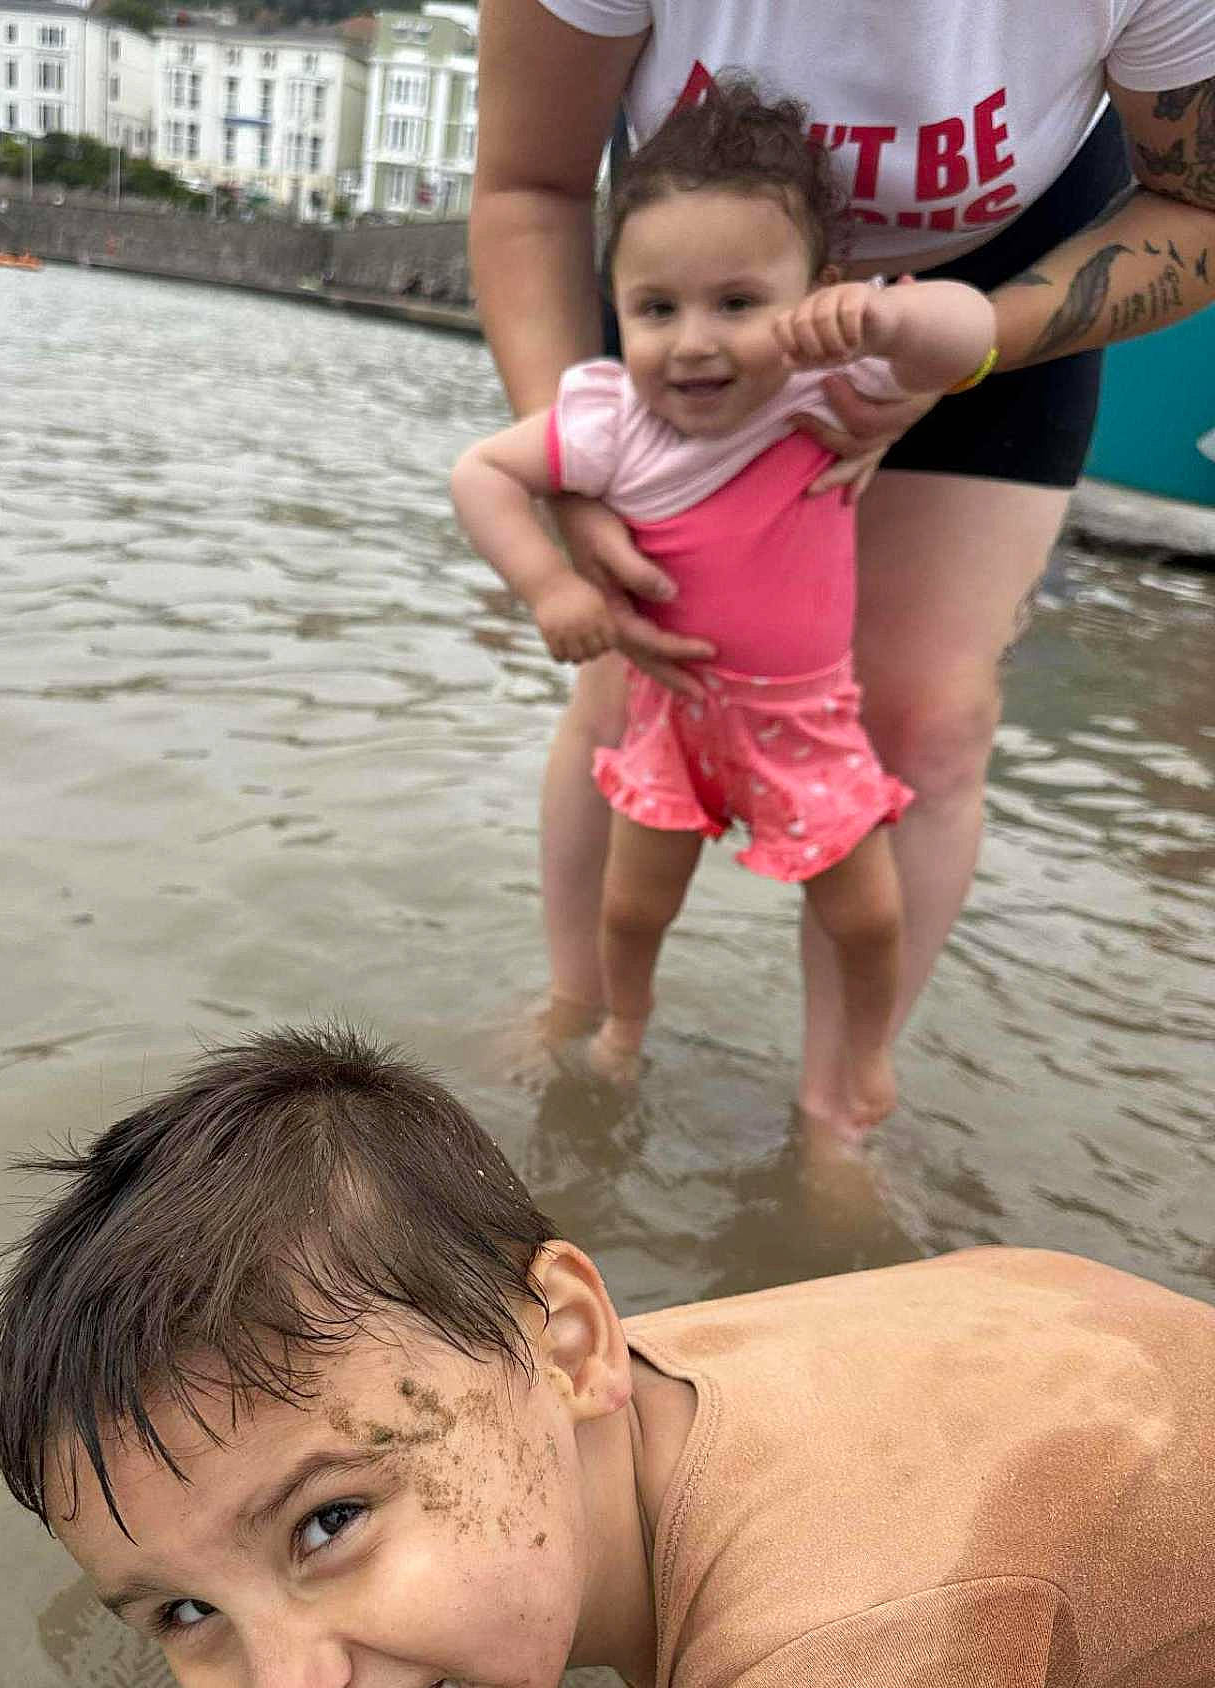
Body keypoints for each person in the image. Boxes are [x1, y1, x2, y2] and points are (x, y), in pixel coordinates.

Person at [0, 1026, 1215, 1688]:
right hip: (1069, 1373)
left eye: (329, 1519)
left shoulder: (818, 1684)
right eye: (187, 1612)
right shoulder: (582, 1394)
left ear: (571, 1341)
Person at [470, 0, 1215, 1119]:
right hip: (703, 264)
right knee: (628, 682)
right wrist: (576, 491)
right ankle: (584, 1015)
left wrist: (975, 341)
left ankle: (841, 1110)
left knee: (931, 716)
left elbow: (1196, 199)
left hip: (998, 285)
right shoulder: (675, 328)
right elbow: (528, 185)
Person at [452, 81, 997, 1132]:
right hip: (678, 713)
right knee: (633, 906)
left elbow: (965, 333)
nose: (694, 343)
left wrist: (888, 314)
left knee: (870, 917)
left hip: (807, 723)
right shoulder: (610, 424)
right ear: (617, 304)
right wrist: (552, 584)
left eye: (738, 304)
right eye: (657, 309)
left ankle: (861, 1061)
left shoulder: (827, 385)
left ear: (814, 294)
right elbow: (480, 472)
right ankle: (621, 1027)